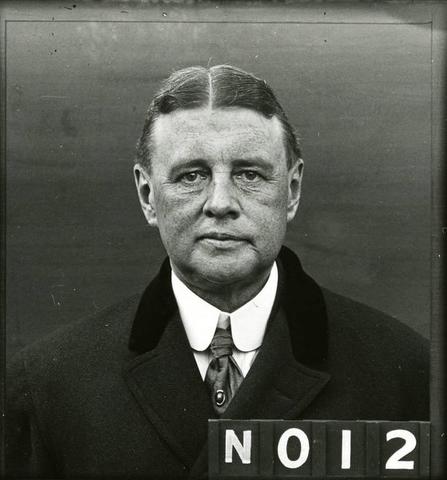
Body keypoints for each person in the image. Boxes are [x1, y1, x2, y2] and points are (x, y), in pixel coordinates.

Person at [5, 65, 428, 479]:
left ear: (292, 191)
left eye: (249, 174)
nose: (221, 202)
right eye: (191, 176)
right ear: (148, 195)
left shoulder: (403, 369)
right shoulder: (48, 385)